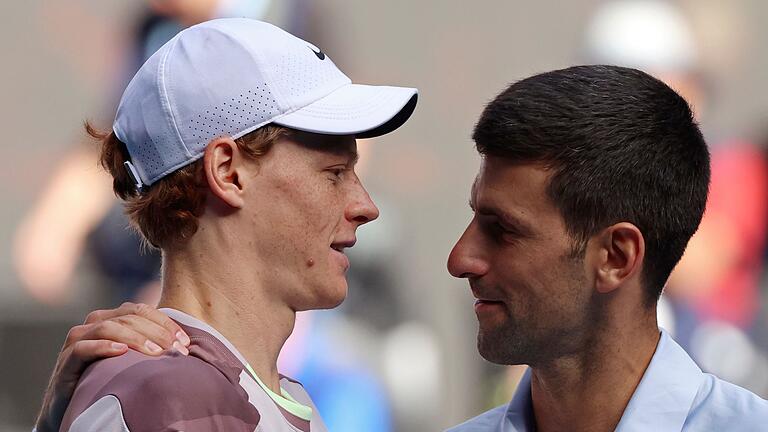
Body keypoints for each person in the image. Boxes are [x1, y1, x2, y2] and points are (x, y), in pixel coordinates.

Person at [37, 65, 768, 430]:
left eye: (503, 229)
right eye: (333, 169)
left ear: (617, 256)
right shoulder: (166, 390)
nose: (460, 258)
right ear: (226, 173)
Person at [34, 17, 417, 432]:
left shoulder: (243, 394)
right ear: (229, 172)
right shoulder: (171, 398)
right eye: (335, 172)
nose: (366, 206)